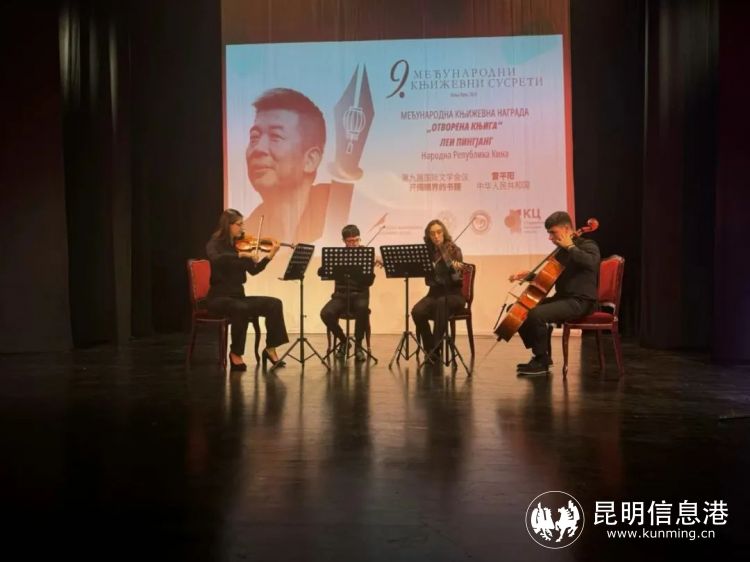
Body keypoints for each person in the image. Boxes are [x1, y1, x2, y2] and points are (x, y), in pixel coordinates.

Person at [243, 87, 365, 245]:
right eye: (254, 137)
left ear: (310, 160)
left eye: (276, 136)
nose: (258, 149)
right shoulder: (248, 230)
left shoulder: (340, 205)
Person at [509, 211, 600, 375]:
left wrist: (570, 247)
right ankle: (541, 356)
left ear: (566, 230)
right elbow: (549, 277)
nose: (550, 238)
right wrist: (529, 276)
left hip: (581, 301)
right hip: (563, 299)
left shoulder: (588, 245)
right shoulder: (561, 252)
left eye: (553, 232)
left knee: (535, 314)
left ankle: (541, 360)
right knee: (519, 308)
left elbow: (592, 263)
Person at [205, 209, 289, 371]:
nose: (242, 228)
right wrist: (240, 255)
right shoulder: (214, 244)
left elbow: (253, 270)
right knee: (240, 308)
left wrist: (270, 256)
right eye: (239, 224)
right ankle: (235, 352)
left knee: (274, 304)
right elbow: (216, 260)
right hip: (218, 298)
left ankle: (270, 348)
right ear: (228, 225)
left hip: (238, 296)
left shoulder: (241, 245)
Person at [411, 219, 466, 364]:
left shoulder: (454, 250)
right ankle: (430, 347)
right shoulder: (428, 252)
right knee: (417, 311)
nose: (436, 236)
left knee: (442, 303)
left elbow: (457, 280)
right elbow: (426, 278)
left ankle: (436, 348)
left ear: (444, 233)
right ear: (428, 236)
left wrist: (454, 268)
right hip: (434, 294)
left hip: (453, 295)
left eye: (439, 232)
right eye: (432, 233)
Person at [318, 225, 375, 362]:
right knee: (325, 313)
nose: (354, 243)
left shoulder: (366, 254)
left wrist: (369, 267)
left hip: (360, 294)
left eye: (356, 240)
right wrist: (326, 267)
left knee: (362, 309)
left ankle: (358, 346)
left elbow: (369, 282)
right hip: (341, 295)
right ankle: (344, 341)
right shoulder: (338, 255)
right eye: (350, 241)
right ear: (344, 241)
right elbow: (321, 272)